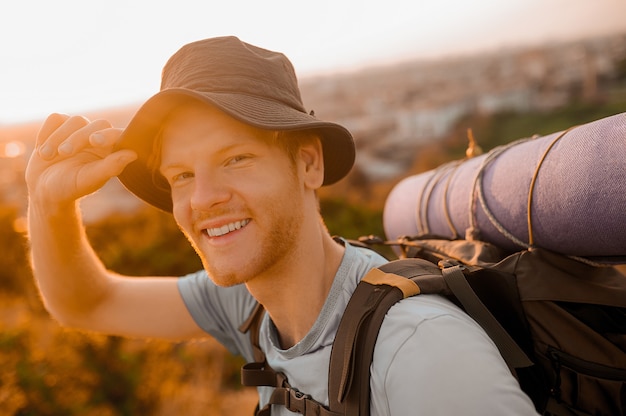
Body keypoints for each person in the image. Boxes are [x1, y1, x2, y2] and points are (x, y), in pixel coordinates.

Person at [25, 36, 538, 415]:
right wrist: (46, 205)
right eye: (181, 175)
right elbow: (85, 303)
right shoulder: (249, 306)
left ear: (309, 164)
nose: (204, 197)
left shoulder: (419, 348)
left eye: (236, 159)